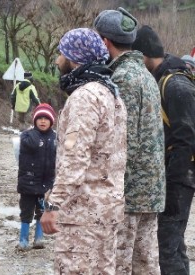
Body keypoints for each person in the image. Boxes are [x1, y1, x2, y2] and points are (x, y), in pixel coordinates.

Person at [40, 28, 127, 274]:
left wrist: (54, 205)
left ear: (74, 57)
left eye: (61, 54)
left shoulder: (85, 97)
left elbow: (75, 159)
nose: (58, 60)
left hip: (82, 214)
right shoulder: (111, 94)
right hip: (106, 209)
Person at [94, 8, 165, 274]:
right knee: (146, 263)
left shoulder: (121, 78)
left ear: (105, 42)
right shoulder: (144, 74)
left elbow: (122, 139)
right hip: (150, 188)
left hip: (129, 191)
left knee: (119, 263)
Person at [132, 25, 195, 275]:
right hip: (174, 177)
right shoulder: (163, 78)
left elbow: (186, 139)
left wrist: (171, 183)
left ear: (144, 54)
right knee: (174, 244)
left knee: (167, 247)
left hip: (180, 179)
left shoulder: (176, 85)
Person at [16, 103, 57, 251]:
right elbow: (32, 145)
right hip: (28, 183)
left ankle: (39, 239)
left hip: (46, 185)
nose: (43, 121)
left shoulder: (55, 138)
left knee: (42, 211)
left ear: (52, 121)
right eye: (39, 118)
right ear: (34, 120)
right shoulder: (27, 135)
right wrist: (34, 132)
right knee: (26, 212)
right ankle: (23, 240)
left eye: (46, 118)